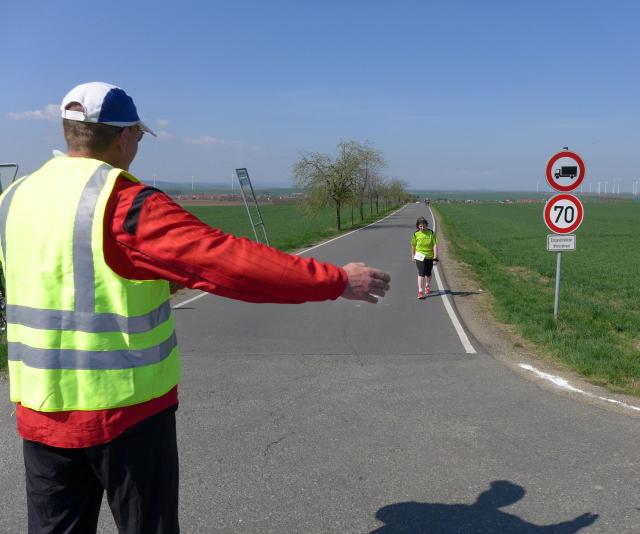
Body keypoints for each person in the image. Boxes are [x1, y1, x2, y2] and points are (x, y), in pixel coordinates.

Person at [0, 81, 391, 533]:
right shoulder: (122, 204)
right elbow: (230, 264)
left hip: (41, 413)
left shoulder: (13, 198)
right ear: (124, 137)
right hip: (127, 414)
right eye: (139, 136)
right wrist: (336, 280)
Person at [410, 216, 438, 299]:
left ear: (426, 225)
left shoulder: (431, 233)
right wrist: (413, 255)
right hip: (419, 255)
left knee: (428, 273)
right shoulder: (416, 234)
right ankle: (420, 291)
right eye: (420, 226)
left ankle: (427, 286)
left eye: (424, 226)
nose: (422, 228)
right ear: (418, 226)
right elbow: (413, 245)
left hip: (429, 255)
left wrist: (435, 257)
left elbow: (435, 245)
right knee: (421, 273)